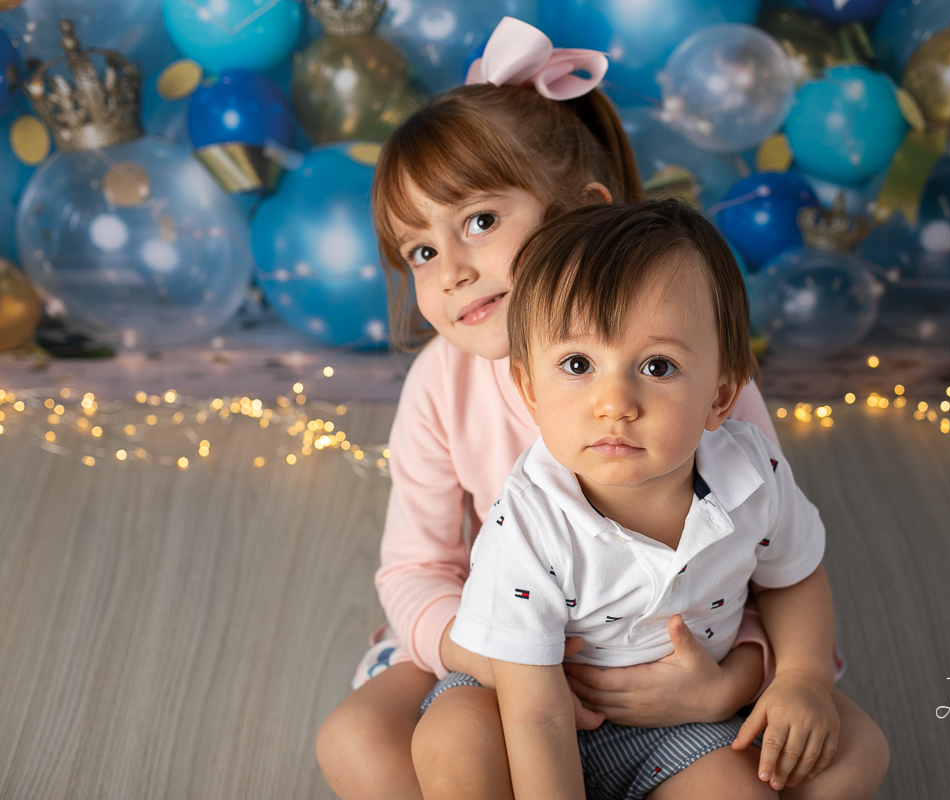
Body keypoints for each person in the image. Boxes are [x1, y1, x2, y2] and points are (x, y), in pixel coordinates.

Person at [315, 17, 885, 800]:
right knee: (361, 742)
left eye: (479, 221)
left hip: (682, 657)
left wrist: (725, 686)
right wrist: (506, 661)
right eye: (421, 250)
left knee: (852, 759)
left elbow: (764, 560)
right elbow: (418, 567)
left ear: (580, 211)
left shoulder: (706, 382)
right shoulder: (444, 388)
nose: (449, 271)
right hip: (507, 652)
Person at [415, 200, 887, 800]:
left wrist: (803, 678)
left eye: (657, 366)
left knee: (747, 789)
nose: (615, 402)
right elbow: (536, 717)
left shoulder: (751, 474)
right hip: (531, 708)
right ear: (531, 394)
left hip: (682, 721)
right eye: (579, 364)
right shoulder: (528, 522)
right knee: (455, 741)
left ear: (720, 396)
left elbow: (791, 578)